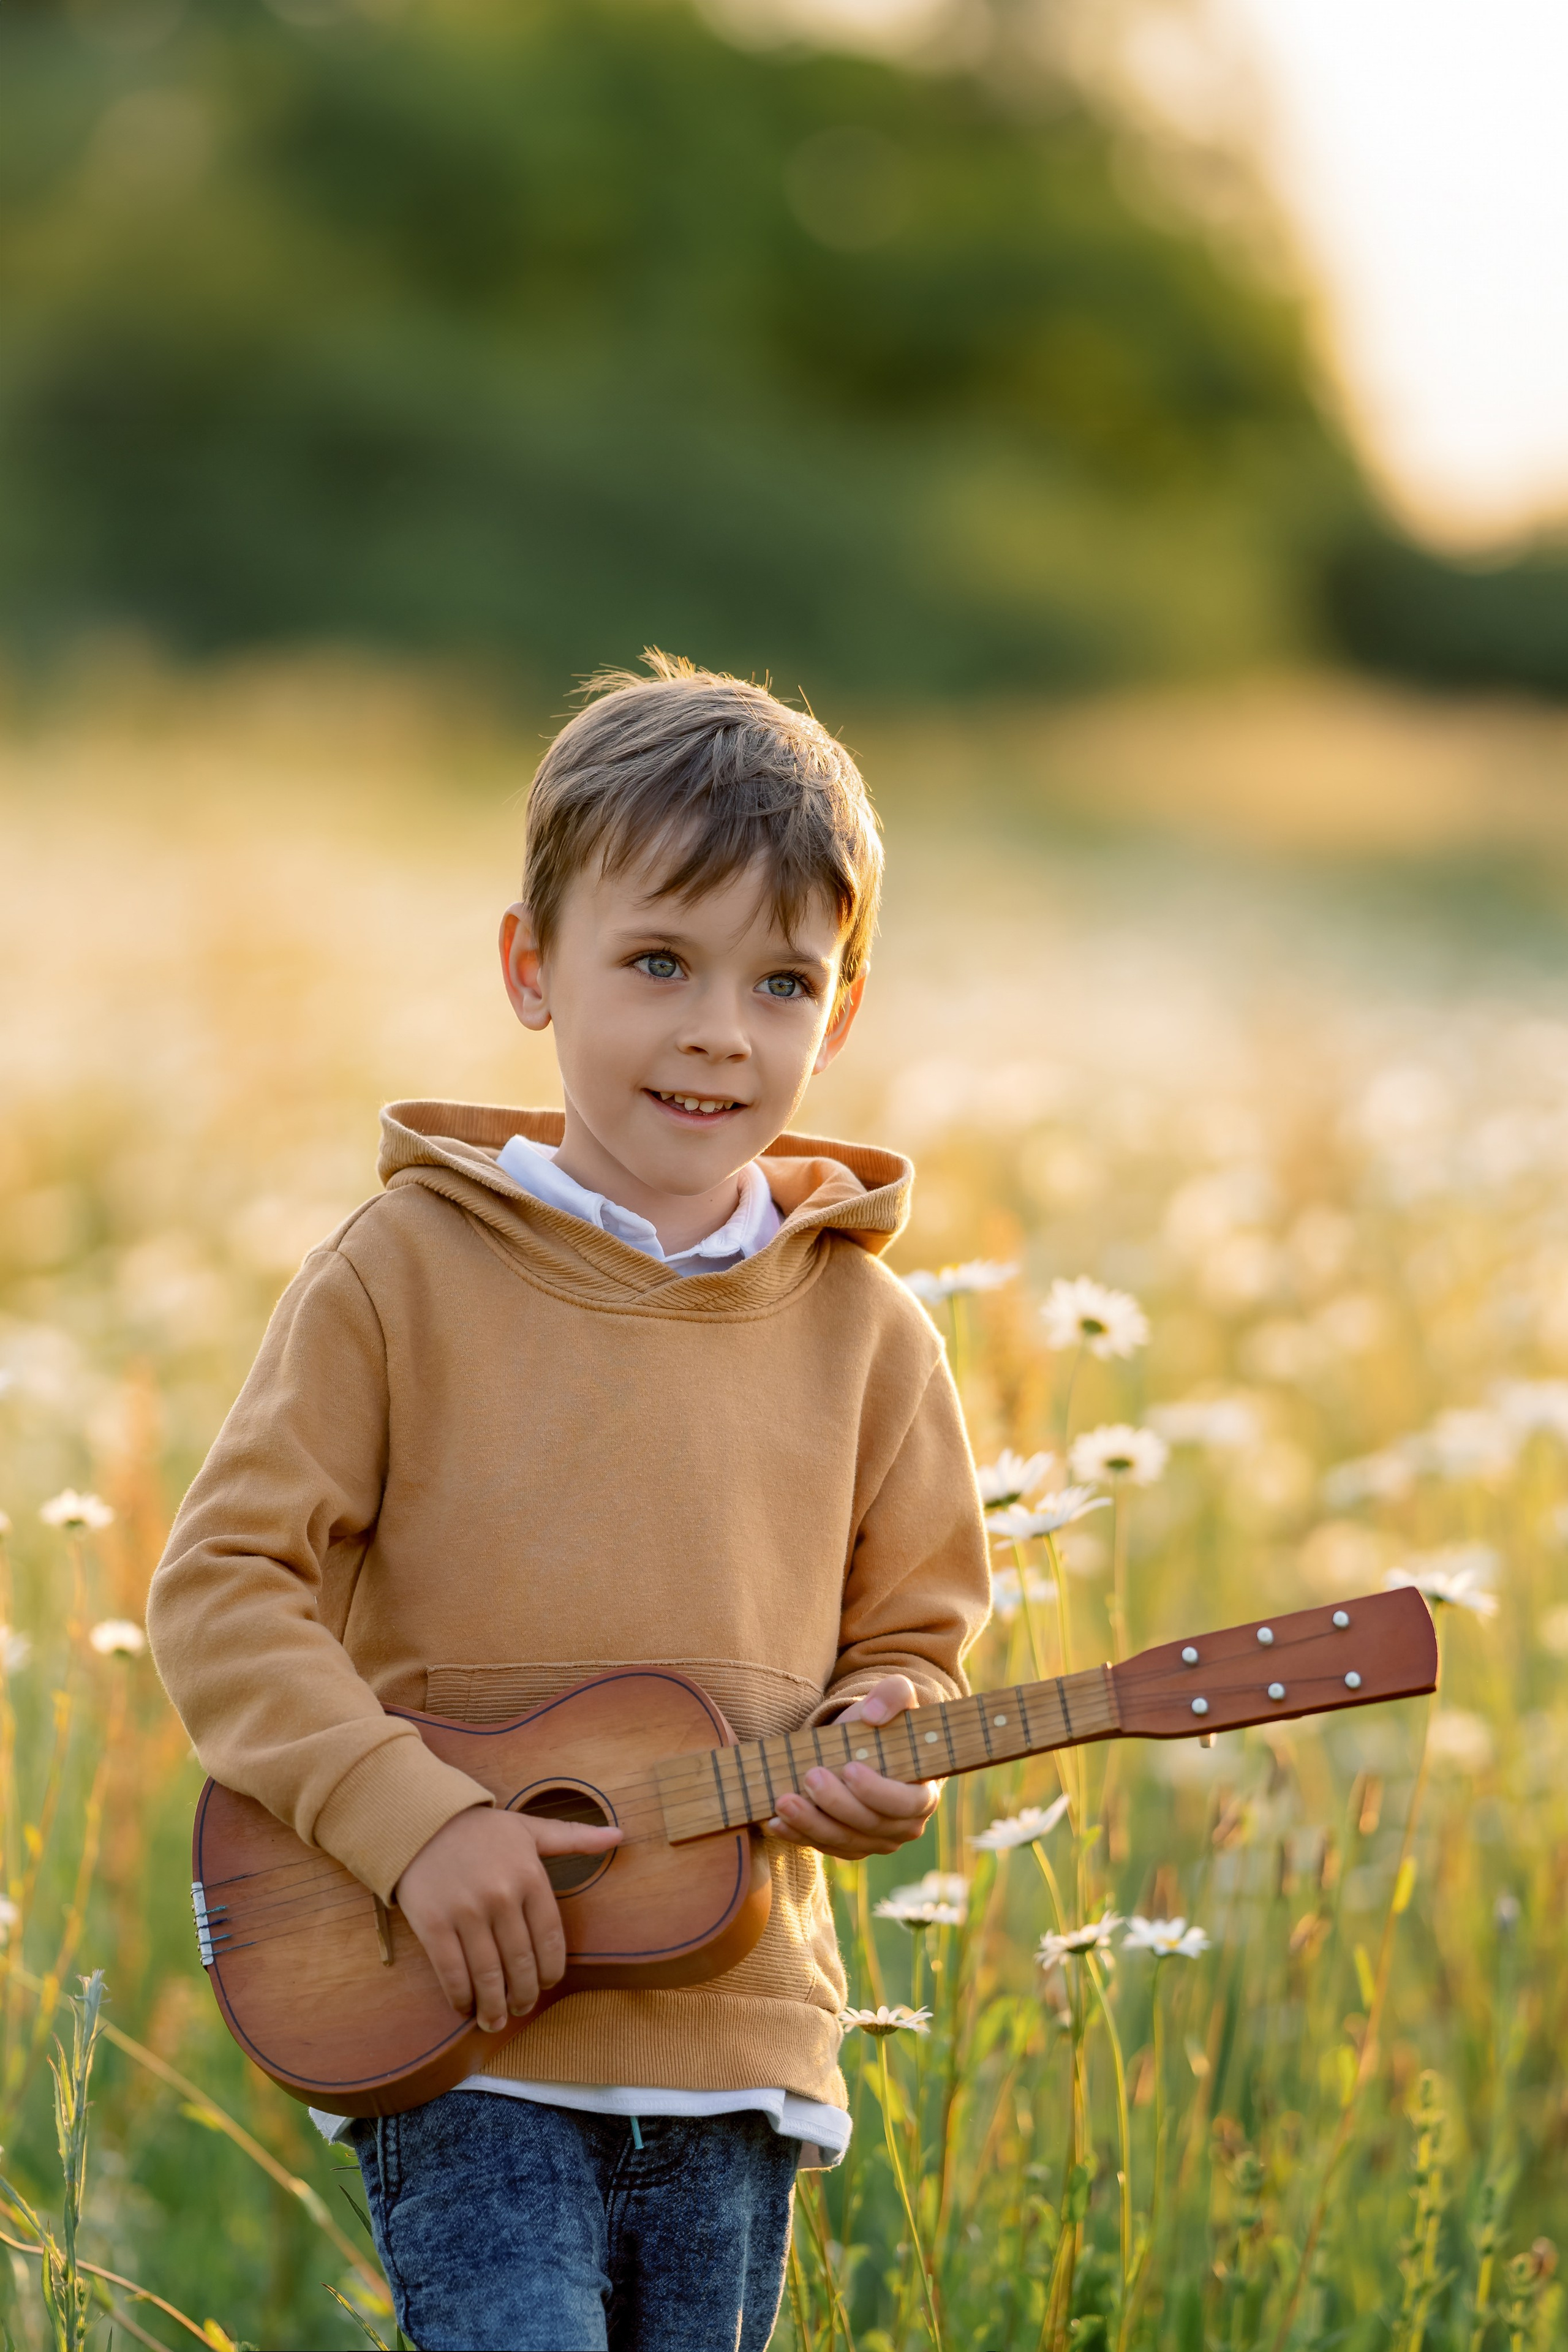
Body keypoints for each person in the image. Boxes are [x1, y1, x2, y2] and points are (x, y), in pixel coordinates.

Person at [146, 652, 991, 2351]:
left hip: (741, 2042)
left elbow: (914, 1640)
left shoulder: (871, 1335)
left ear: (838, 1016)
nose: (713, 1028)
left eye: (779, 983)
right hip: (465, 2013)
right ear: (535, 969)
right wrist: (421, 1823)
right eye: (659, 961)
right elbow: (224, 1590)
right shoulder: (405, 1273)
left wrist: (886, 1732)